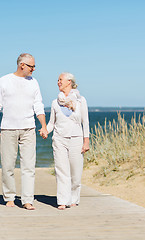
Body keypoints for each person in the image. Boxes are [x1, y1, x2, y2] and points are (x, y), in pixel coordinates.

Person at [0, 53, 48, 210]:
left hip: (29, 128)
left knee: (29, 166)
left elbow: (39, 105)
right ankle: (9, 197)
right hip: (8, 129)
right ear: (22, 65)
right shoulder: (4, 81)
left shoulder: (34, 83)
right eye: (32, 66)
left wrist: (43, 125)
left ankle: (27, 200)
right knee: (8, 165)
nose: (34, 69)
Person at [47, 72, 89, 210]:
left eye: (60, 80)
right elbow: (51, 123)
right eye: (57, 80)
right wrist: (45, 130)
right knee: (61, 171)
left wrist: (86, 141)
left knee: (76, 173)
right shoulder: (55, 102)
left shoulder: (81, 101)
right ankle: (62, 201)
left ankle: (74, 198)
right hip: (59, 139)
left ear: (69, 81)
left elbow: (85, 122)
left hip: (76, 139)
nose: (58, 82)